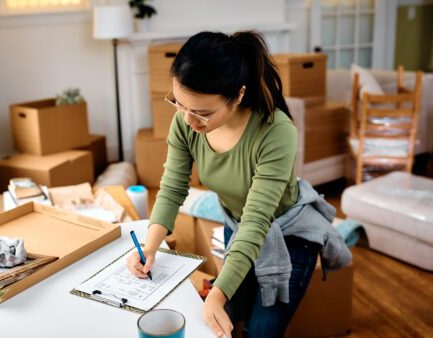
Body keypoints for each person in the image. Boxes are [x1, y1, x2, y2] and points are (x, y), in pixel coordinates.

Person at [127, 30, 351, 338]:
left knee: (260, 330)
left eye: (202, 113)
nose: (188, 120)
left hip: (287, 234)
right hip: (237, 223)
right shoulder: (185, 120)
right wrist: (150, 246)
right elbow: (172, 186)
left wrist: (217, 295)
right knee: (230, 314)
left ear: (239, 96)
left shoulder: (276, 131)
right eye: (178, 103)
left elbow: (257, 220)